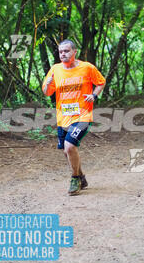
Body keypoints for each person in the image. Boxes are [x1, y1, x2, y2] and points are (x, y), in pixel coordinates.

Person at [42, 39, 106, 195]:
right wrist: (48, 84)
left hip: (83, 115)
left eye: (66, 51)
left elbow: (101, 82)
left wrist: (94, 95)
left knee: (70, 147)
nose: (63, 54)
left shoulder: (87, 67)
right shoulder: (55, 69)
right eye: (60, 52)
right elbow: (46, 92)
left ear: (74, 52)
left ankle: (75, 178)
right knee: (67, 151)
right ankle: (82, 177)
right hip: (63, 117)